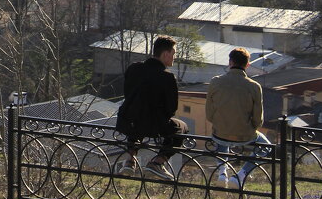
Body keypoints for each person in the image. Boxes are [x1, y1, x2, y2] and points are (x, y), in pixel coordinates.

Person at [115, 36, 188, 180]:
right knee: (182, 127)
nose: (174, 58)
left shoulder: (133, 68)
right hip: (154, 126)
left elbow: (128, 94)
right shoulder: (167, 77)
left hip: (127, 122)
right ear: (165, 54)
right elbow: (171, 109)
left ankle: (130, 160)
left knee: (137, 116)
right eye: (173, 54)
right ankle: (157, 162)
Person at [205, 47, 271, 190]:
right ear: (247, 65)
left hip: (220, 133)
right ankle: (241, 175)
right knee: (266, 146)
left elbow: (209, 114)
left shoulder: (215, 82)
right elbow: (258, 120)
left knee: (221, 132)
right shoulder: (254, 86)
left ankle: (222, 172)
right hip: (245, 136)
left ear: (230, 62)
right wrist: (247, 127)